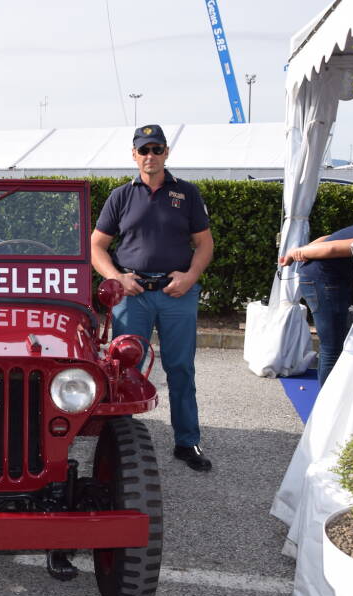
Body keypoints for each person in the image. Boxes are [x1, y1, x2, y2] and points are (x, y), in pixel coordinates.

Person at [90, 124, 215, 472]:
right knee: (124, 372)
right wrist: (117, 278)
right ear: (134, 155)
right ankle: (121, 445)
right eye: (143, 150)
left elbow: (204, 244)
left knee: (180, 369)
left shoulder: (187, 194)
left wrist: (190, 277)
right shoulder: (120, 196)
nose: (150, 156)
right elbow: (96, 246)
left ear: (166, 153)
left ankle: (188, 442)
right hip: (135, 296)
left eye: (156, 149)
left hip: (177, 294)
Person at [279, 223, 353, 386]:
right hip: (324, 281)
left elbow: (325, 239)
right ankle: (327, 404)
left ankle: (333, 396)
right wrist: (295, 253)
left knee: (334, 344)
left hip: (319, 279)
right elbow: (332, 248)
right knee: (332, 347)